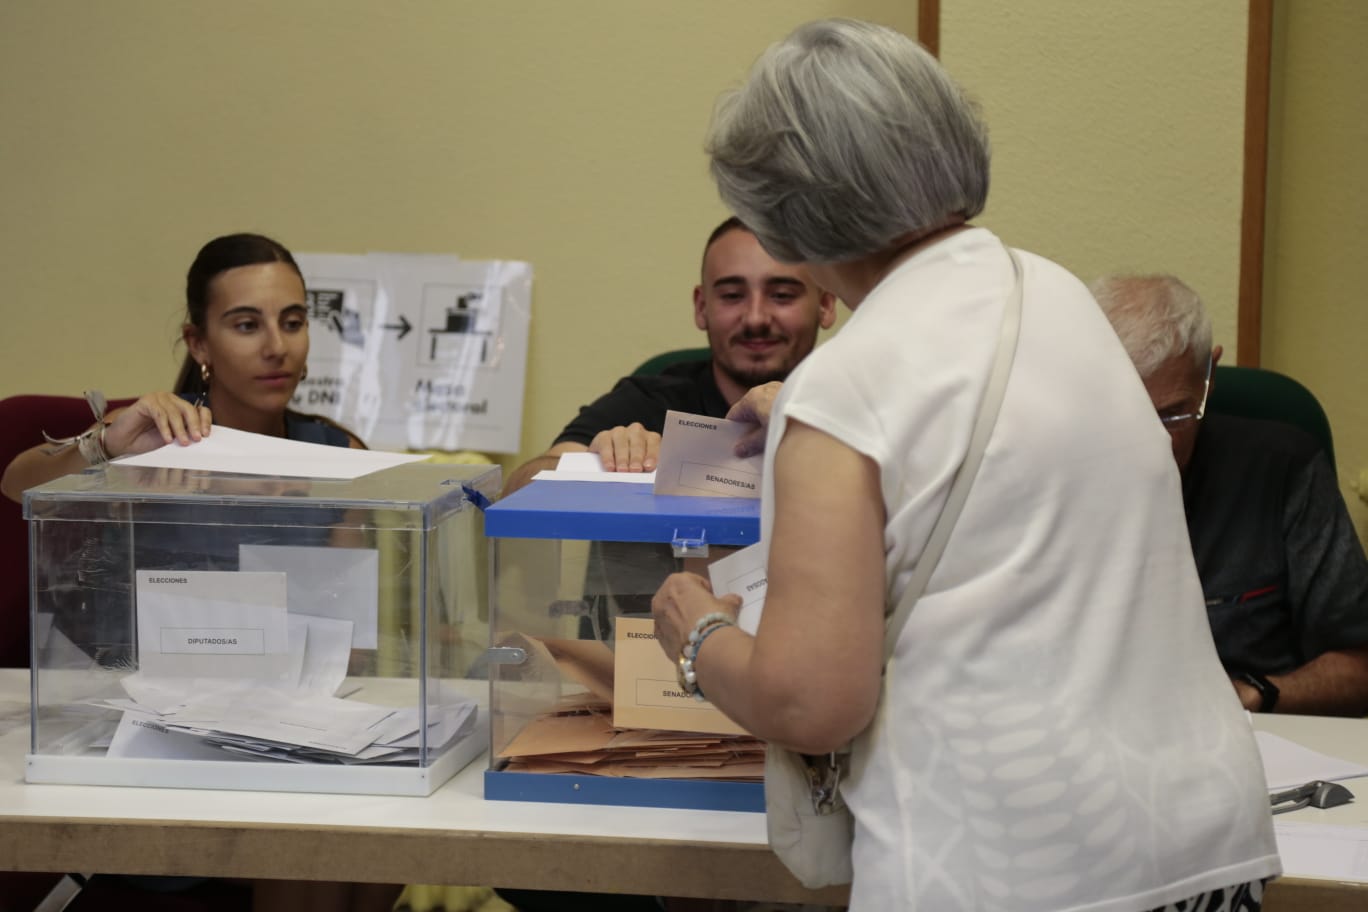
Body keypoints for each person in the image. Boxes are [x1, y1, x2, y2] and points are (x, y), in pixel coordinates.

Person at [650, 19, 1280, 911]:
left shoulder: (841, 391)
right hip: (1201, 842)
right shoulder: (1055, 295)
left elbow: (810, 703)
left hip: (1016, 866)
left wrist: (697, 632)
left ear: (783, 214)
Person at [1093, 273, 1368, 716]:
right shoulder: (1043, 469)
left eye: (1173, 415)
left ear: (1208, 376)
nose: (1151, 442)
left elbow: (1359, 667)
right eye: (1127, 412)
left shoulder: (1283, 468)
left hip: (1259, 739)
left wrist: (1255, 692)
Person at [1, 232, 362, 504]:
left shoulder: (340, 453)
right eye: (247, 325)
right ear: (198, 343)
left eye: (293, 322)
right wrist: (108, 447)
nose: (277, 347)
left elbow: (348, 593)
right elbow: (16, 482)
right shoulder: (150, 435)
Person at [501, 216, 835, 495]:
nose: (756, 318)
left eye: (781, 295)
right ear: (702, 307)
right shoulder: (652, 399)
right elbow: (516, 490)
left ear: (825, 304)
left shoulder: (859, 401)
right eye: (733, 296)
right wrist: (597, 461)